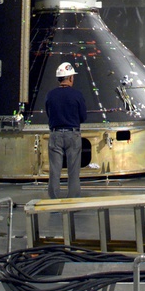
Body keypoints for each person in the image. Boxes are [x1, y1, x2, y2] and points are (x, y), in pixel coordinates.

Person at [44, 61, 88, 199]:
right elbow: (83, 116)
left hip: (55, 134)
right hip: (72, 135)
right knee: (74, 171)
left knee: (54, 171)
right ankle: (73, 201)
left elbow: (48, 113)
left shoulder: (50, 95)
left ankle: (54, 201)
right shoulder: (77, 95)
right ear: (70, 78)